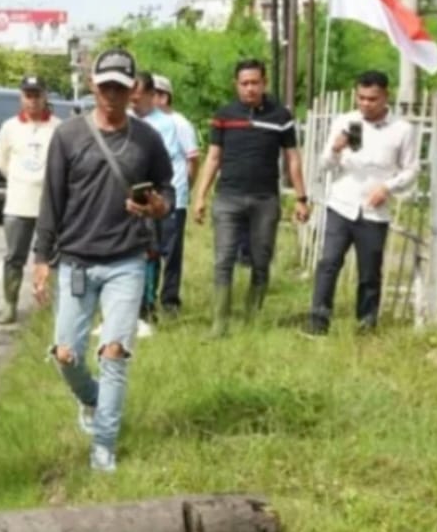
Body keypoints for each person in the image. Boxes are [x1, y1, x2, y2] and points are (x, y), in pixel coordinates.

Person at [33, 50, 172, 473]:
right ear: (93, 85)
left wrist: (155, 208)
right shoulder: (69, 136)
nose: (112, 94)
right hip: (75, 261)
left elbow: (167, 195)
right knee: (65, 355)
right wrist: (41, 259)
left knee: (114, 353)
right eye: (105, 85)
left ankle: (104, 447)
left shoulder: (147, 139)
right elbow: (51, 199)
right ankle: (92, 400)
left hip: (126, 260)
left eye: (121, 87)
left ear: (134, 91)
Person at [192, 59, 310, 336]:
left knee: (260, 258)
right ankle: (219, 323)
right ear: (236, 85)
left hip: (265, 199)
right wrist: (200, 196)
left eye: (255, 82)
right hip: (228, 198)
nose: (250, 88)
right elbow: (213, 157)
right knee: (223, 259)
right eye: (244, 83)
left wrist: (301, 198)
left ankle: (251, 317)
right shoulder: (224, 114)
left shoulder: (281, 116)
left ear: (264, 82)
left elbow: (292, 158)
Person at [306, 71, 419, 336]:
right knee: (329, 262)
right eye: (361, 98)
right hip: (342, 202)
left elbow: (411, 169)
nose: (366, 104)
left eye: (372, 99)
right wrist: (335, 148)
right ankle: (318, 320)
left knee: (369, 269)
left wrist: (387, 188)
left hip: (374, 209)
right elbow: (324, 165)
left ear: (385, 97)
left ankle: (366, 324)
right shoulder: (346, 121)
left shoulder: (402, 130)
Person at [129, 74, 196, 334]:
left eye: (136, 95)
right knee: (134, 253)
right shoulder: (127, 120)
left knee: (160, 253)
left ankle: (157, 304)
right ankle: (133, 307)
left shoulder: (170, 124)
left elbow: (188, 160)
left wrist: (184, 191)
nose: (132, 102)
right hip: (130, 199)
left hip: (162, 199)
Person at [0, 75, 60, 325]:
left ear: (45, 96)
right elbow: (2, 162)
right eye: (28, 95)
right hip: (18, 202)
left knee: (51, 257)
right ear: (22, 98)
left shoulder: (57, 126)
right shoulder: (10, 127)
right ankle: (10, 304)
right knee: (14, 256)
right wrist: (21, 179)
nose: (33, 101)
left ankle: (47, 304)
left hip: (48, 203)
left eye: (37, 95)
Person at [151, 75, 200, 315]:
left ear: (163, 96)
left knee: (171, 253)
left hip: (175, 197)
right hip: (149, 199)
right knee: (149, 251)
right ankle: (147, 301)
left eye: (154, 94)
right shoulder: (146, 122)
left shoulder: (179, 123)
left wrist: (185, 188)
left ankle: (169, 300)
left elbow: (192, 158)